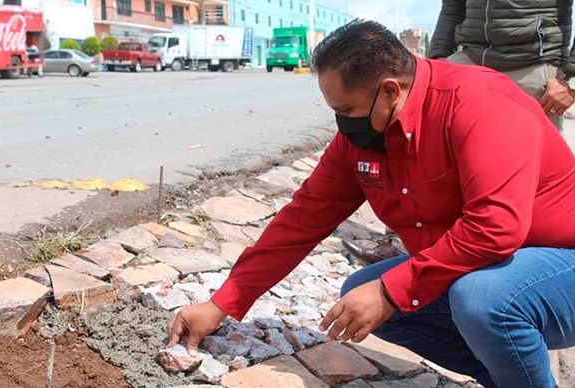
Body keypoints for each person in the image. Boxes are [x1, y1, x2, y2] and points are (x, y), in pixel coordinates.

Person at [167, 20, 575, 388]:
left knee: (481, 298)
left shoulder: (479, 104)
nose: (341, 123)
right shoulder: (362, 138)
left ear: (390, 91)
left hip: (561, 259)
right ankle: (504, 378)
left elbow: (494, 228)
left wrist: (390, 291)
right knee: (358, 293)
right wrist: (222, 303)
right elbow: (303, 218)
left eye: (346, 110)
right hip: (502, 263)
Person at [428, 0, 575, 132]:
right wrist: (437, 59)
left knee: (535, 160)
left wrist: (572, 86)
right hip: (469, 63)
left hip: (533, 70)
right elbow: (453, 7)